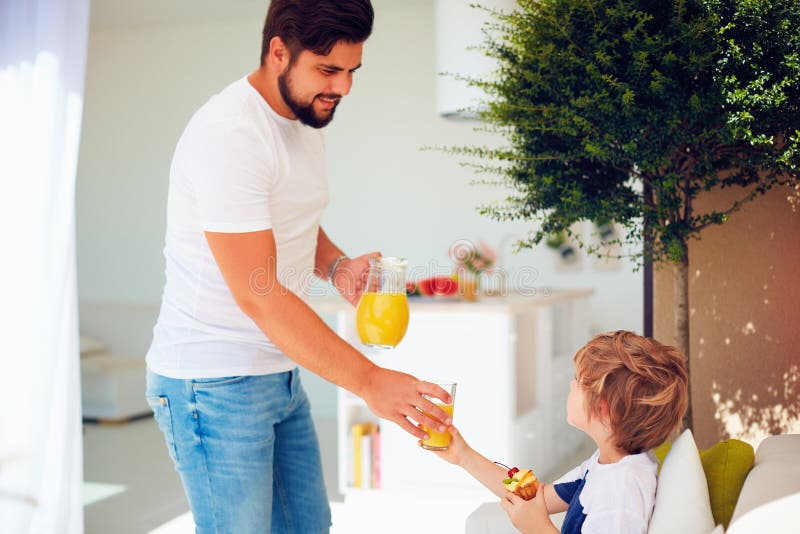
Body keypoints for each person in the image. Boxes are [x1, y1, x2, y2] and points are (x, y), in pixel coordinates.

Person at [144, 1, 452, 532]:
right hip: (212, 383)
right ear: (278, 52)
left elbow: (289, 221)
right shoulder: (231, 135)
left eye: (352, 71)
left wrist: (336, 267)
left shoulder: (305, 118)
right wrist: (371, 381)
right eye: (328, 70)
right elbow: (258, 294)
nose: (344, 88)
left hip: (277, 371)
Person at [429, 330, 688, 534]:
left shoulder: (621, 492)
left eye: (579, 380)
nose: (571, 384)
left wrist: (538, 528)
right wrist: (462, 455)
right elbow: (535, 495)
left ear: (603, 409)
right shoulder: (608, 463)